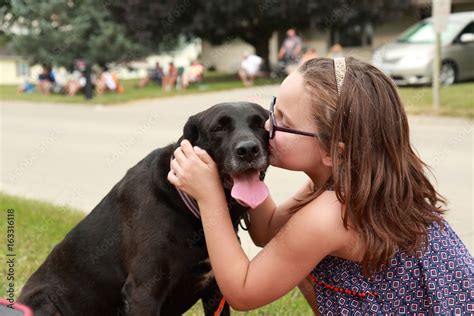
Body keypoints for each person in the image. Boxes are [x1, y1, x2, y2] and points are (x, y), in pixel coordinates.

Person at [168, 57, 472, 313]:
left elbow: (243, 291)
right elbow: (269, 231)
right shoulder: (350, 180)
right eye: (273, 109)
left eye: (283, 120)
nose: (266, 125)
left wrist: (209, 198)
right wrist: (247, 179)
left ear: (331, 151)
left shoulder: (332, 214)